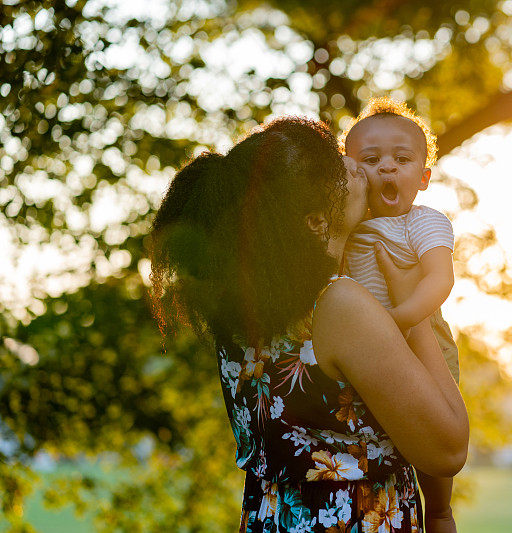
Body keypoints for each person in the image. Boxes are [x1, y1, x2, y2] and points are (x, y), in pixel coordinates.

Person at [149, 116, 468, 533]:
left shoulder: (239, 312)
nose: (355, 167)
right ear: (315, 222)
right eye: (341, 172)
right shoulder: (338, 304)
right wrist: (417, 309)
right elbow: (448, 452)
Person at [340, 98, 460, 531]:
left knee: (434, 443)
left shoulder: (423, 223)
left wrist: (401, 317)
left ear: (424, 178)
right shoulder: (348, 228)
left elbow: (437, 281)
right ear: (350, 174)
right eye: (371, 160)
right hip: (369, 347)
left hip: (422, 335)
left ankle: (440, 511)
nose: (387, 167)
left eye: (402, 159)